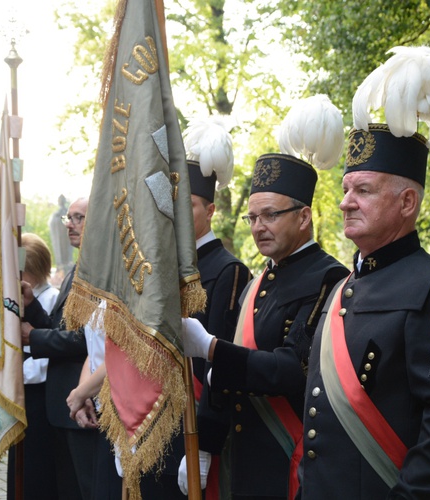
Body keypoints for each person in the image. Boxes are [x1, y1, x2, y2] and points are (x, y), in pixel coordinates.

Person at [297, 46, 430, 499]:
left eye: (363, 190)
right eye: (345, 190)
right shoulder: (343, 286)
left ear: (406, 203)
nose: (345, 202)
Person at [179, 96, 349, 499]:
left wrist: (212, 349)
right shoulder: (262, 279)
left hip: (286, 450)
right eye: (253, 217)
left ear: (303, 217)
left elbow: (294, 368)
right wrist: (206, 440)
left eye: (271, 215)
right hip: (243, 451)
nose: (259, 227)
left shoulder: (330, 277)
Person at [140, 118, 251, 498]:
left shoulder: (228, 270)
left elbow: (220, 363)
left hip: (194, 428)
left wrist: (203, 446)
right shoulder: (161, 268)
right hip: (153, 419)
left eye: (188, 205)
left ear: (211, 210)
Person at [20, 197, 96, 500]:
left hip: (82, 400)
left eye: (78, 218)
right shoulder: (77, 268)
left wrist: (34, 337)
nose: (69, 225)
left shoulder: (98, 271)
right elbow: (59, 325)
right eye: (69, 218)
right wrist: (31, 305)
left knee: (85, 489)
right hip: (62, 405)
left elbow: (87, 339)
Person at [7, 233, 60, 500]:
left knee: (37, 470)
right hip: (21, 393)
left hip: (39, 395)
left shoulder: (51, 299)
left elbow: (47, 353)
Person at [65, 300, 123, 500]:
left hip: (124, 413)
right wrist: (84, 392)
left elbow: (123, 353)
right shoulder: (101, 289)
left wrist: (81, 393)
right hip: (102, 410)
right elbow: (94, 351)